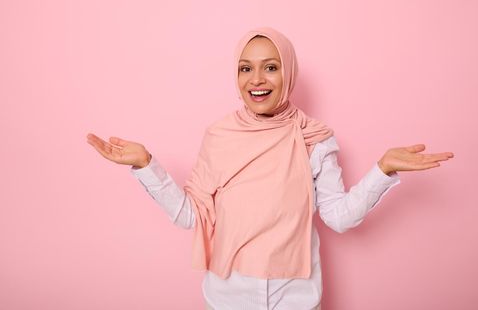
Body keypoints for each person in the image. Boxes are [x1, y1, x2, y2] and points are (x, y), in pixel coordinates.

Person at [86, 27, 454, 310]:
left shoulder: (314, 140)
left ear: (288, 73)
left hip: (295, 299)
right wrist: (145, 165)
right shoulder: (219, 136)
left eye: (271, 67)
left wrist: (383, 169)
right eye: (246, 68)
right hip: (228, 299)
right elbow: (190, 216)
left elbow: (339, 217)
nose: (257, 79)